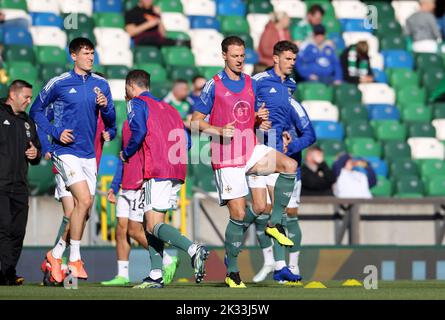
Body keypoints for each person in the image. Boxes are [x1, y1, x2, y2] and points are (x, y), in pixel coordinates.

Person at [191, 36, 298, 288]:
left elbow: (246, 117)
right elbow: (194, 122)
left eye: (242, 55)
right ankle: (233, 270)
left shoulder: (250, 82)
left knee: (289, 166)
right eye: (235, 55)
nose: (240, 60)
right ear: (224, 56)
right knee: (238, 215)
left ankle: (275, 223)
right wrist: (217, 130)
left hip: (249, 149)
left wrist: (258, 121)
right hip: (226, 158)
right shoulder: (213, 85)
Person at [30, 37, 116, 282]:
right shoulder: (59, 83)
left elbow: (111, 121)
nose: (90, 57)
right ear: (74, 56)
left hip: (89, 155)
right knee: (84, 200)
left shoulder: (101, 84)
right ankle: (75, 259)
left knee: (84, 210)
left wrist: (105, 105)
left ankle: (56, 253)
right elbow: (36, 110)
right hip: (65, 152)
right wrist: (55, 133)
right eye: (86, 53)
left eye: (92, 53)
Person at [121, 69, 208, 289]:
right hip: (177, 169)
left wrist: (127, 153)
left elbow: (138, 131)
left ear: (131, 86)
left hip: (157, 169)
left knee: (151, 224)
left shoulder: (136, 103)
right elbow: (186, 143)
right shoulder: (171, 109)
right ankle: (156, 274)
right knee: (152, 223)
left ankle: (192, 249)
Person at [250, 41, 316, 284]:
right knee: (261, 212)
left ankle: (288, 267)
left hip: (283, 158)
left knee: (284, 215)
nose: (292, 64)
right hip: (260, 153)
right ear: (276, 58)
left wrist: (292, 143)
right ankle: (272, 263)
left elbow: (303, 127)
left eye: (294, 60)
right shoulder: (257, 81)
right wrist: (255, 121)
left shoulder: (291, 86)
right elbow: (246, 109)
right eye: (288, 59)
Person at [101, 120, 178, 286]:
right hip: (125, 185)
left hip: (139, 185)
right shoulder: (126, 124)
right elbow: (123, 157)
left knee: (135, 231)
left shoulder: (147, 124)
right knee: (121, 229)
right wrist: (114, 186)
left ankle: (167, 259)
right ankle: (122, 275)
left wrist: (145, 179)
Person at [0, 80, 41, 286]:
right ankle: (6, 273)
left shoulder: (27, 122)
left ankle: (7, 271)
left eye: (30, 97)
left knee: (18, 230)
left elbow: (36, 151)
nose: (28, 101)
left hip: (20, 186)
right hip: (1, 185)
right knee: (4, 227)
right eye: (26, 96)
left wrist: (35, 153)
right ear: (13, 95)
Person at [125, 0, 190, 47]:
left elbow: (163, 34)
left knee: (162, 40)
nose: (149, 1)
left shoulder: (154, 11)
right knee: (151, 39)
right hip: (142, 40)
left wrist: (159, 16)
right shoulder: (132, 12)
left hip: (157, 40)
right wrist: (148, 25)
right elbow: (131, 32)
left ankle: (179, 43)